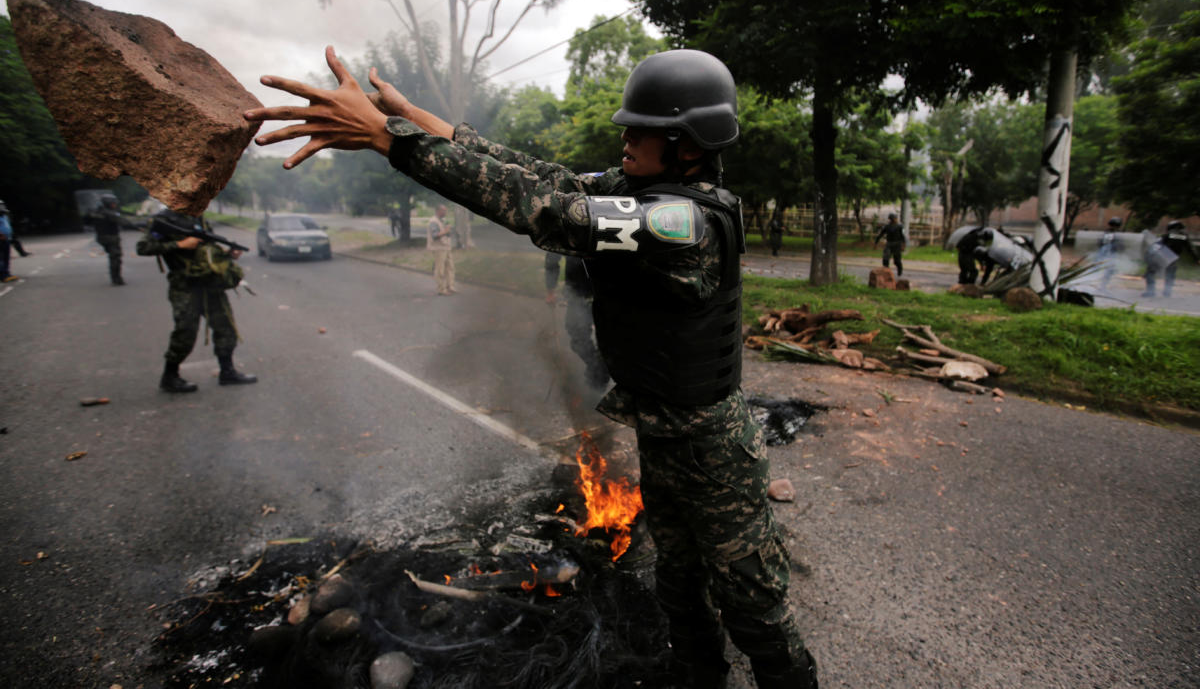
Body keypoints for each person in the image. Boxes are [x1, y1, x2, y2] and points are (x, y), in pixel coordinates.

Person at [244, 46, 819, 689]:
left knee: (756, 613)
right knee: (679, 592)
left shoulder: (683, 220)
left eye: (641, 130)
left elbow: (542, 210)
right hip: (665, 437)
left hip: (713, 451)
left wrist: (386, 140)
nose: (625, 138)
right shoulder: (643, 193)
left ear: (687, 143)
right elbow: (543, 177)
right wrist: (417, 120)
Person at [135, 208, 257, 392]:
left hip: (209, 282)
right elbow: (143, 248)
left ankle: (227, 371)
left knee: (225, 327)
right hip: (185, 286)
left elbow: (208, 248)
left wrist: (228, 253)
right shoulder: (163, 220)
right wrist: (180, 245)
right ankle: (170, 377)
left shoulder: (197, 216)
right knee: (185, 332)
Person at [544, 251, 609, 391]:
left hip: (597, 290)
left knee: (584, 335)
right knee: (579, 334)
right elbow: (552, 255)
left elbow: (552, 255)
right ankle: (598, 371)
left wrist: (550, 290)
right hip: (582, 291)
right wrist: (550, 288)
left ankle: (598, 374)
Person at [85, 195, 141, 285]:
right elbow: (124, 222)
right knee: (115, 257)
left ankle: (115, 277)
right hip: (111, 237)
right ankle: (116, 278)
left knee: (112, 256)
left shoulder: (95, 212)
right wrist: (138, 227)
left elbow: (87, 222)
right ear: (108, 204)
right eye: (113, 203)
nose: (114, 205)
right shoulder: (110, 213)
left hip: (101, 238)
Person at [1144, 220, 1189, 298]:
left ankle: (1150, 292)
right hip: (1173, 258)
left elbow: (1156, 246)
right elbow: (1190, 249)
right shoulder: (1184, 237)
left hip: (1163, 256)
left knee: (1150, 273)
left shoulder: (1167, 236)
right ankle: (1167, 292)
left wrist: (1149, 256)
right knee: (1170, 275)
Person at [427, 203, 455, 295]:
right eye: (443, 210)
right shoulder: (433, 221)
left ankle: (450, 286)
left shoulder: (442, 220)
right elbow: (435, 235)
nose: (445, 212)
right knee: (440, 270)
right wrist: (445, 231)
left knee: (450, 268)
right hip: (438, 248)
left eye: (445, 210)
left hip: (446, 247)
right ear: (438, 211)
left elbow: (445, 233)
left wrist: (448, 231)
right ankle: (441, 289)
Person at [1095, 216, 1123, 289]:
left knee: (1102, 270)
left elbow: (1099, 243)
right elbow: (1119, 246)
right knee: (1109, 270)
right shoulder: (1114, 234)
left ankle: (1101, 286)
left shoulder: (1105, 233)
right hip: (1109, 254)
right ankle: (1102, 286)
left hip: (1103, 254)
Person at [0, 199, 16, 283]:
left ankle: (6, 273)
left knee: (6, 257)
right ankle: (3, 275)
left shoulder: (4, 216)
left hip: (6, 239)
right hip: (1, 239)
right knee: (1, 258)